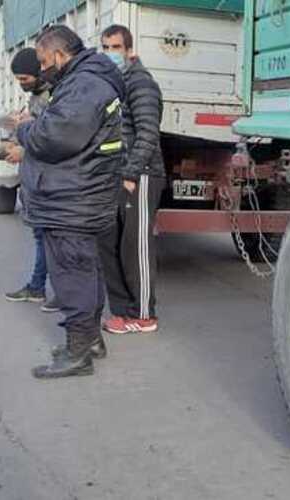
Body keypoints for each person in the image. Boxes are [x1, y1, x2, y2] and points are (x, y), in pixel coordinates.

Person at [10, 25, 126, 379]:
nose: (43, 68)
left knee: (72, 274)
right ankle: (89, 341)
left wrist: (24, 128)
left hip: (73, 198)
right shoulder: (84, 81)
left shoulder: (85, 84)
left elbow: (53, 138)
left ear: (60, 55)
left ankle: (78, 352)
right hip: (79, 194)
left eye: (44, 61)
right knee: (84, 270)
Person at [99, 25, 166, 335]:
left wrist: (130, 174)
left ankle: (143, 315)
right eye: (105, 47)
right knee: (110, 243)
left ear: (128, 50)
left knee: (135, 246)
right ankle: (123, 313)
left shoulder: (141, 84)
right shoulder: (117, 84)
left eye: (115, 47)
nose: (110, 53)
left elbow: (148, 133)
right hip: (117, 174)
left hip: (141, 175)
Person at [3, 48, 61, 314]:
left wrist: (24, 150)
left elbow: (53, 138)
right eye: (18, 80)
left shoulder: (55, 96)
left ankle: (61, 292)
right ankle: (38, 287)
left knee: (54, 238)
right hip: (37, 177)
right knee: (41, 235)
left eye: (25, 78)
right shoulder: (38, 96)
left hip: (51, 179)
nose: (22, 84)